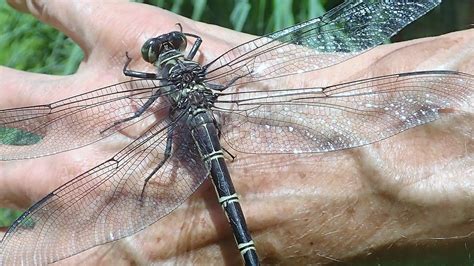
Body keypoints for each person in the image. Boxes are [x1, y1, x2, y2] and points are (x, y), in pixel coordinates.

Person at [0, 0, 472, 264]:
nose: (169, 47)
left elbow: (134, 113)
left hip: (186, 126)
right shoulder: (200, 64)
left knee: (161, 164)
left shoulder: (156, 82)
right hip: (207, 114)